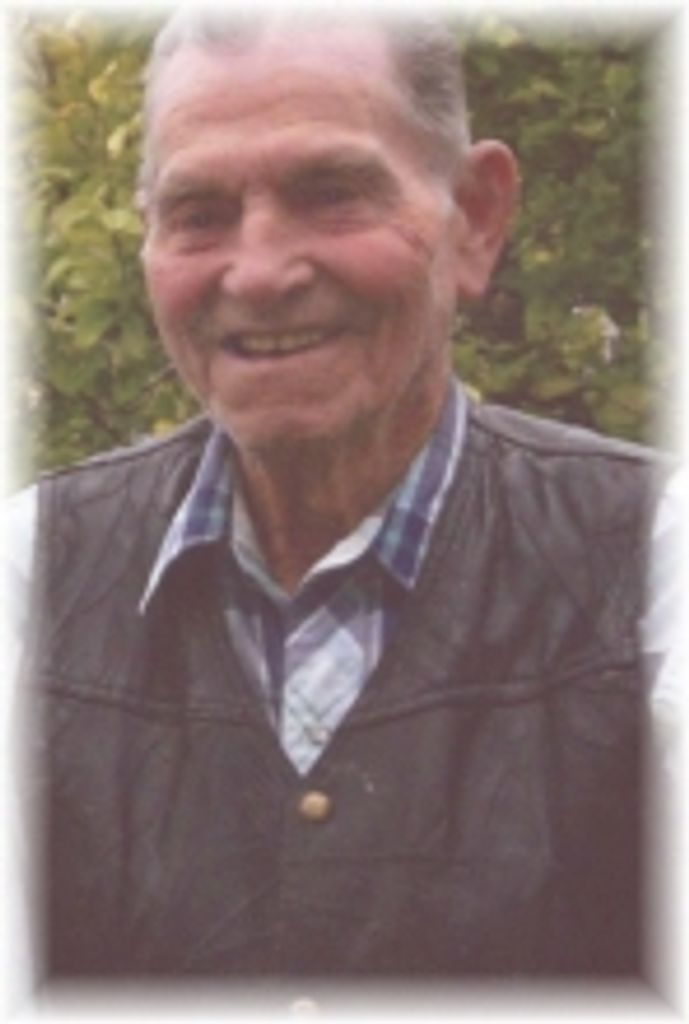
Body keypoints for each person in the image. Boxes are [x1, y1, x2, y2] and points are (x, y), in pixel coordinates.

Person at [8, 8, 682, 983]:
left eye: (331, 195)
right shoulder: (33, 571)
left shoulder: (651, 563)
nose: (259, 272)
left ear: (474, 219)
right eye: (199, 212)